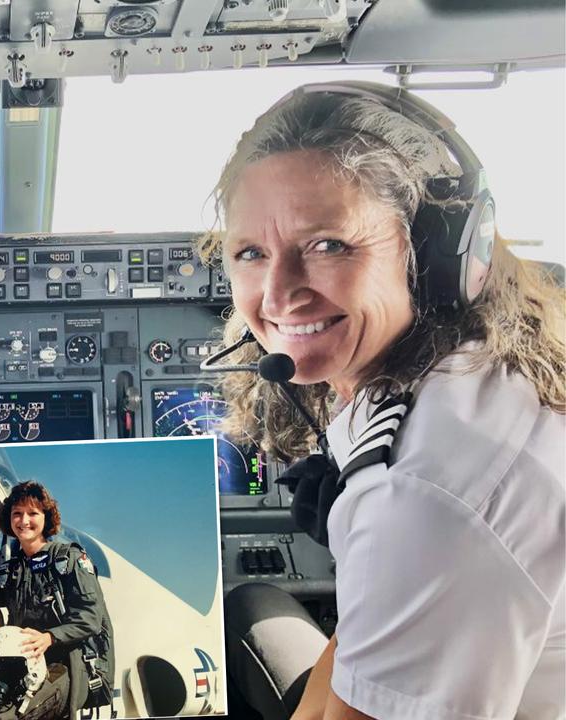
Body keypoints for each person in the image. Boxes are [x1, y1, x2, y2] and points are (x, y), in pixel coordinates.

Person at [199, 82, 565, 719]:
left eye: (328, 245)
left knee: (248, 608)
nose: (280, 295)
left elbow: (419, 528)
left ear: (432, 256)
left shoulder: (424, 495)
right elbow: (362, 635)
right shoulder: (482, 365)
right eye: (251, 253)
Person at [0, 481, 114, 720]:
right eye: (17, 514)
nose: (24, 521)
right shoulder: (11, 572)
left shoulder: (69, 561)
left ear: (46, 517)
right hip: (22, 669)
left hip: (65, 666)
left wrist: (50, 637)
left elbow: (90, 618)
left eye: (33, 513)